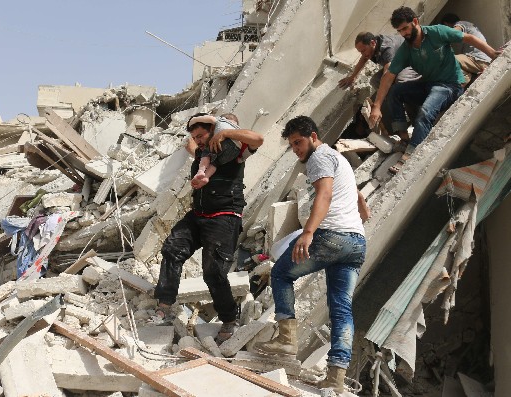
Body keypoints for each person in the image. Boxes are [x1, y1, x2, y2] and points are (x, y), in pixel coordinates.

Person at [255, 115, 370, 394]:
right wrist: (361, 218)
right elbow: (358, 201)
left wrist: (307, 233)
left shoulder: (320, 157)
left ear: (314, 136)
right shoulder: (340, 159)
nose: (296, 148)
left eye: (299, 142)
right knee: (342, 309)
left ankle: (286, 339)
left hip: (331, 236)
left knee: (281, 273)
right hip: (356, 243)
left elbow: (325, 195)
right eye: (292, 145)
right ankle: (336, 378)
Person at [152, 113, 264, 345]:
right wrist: (195, 139)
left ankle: (228, 319)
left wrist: (225, 132)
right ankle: (164, 306)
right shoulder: (204, 151)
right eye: (196, 136)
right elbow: (193, 148)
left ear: (215, 132)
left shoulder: (236, 150)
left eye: (202, 135)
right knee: (172, 249)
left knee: (213, 272)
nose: (199, 140)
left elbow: (258, 138)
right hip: (199, 214)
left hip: (224, 216)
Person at [369, 6, 501, 174]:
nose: (403, 34)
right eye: (399, 31)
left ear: (415, 22)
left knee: (425, 111)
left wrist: (492, 54)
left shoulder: (437, 32)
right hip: (428, 84)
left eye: (405, 28)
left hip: (450, 85)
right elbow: (388, 76)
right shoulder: (406, 49)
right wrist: (377, 106)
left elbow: (468, 38)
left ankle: (410, 155)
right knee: (396, 91)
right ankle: (404, 138)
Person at [339, 32, 421, 138]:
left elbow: (387, 76)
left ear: (372, 43)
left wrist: (377, 106)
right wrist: (353, 76)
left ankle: (408, 105)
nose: (363, 54)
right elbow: (364, 59)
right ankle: (395, 99)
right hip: (399, 64)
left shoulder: (387, 48)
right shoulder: (373, 45)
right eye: (360, 52)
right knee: (375, 81)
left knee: (399, 82)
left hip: (412, 62)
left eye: (363, 50)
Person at [190, 114, 252, 189]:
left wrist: (195, 120)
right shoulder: (241, 138)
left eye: (199, 136)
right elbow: (243, 155)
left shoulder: (220, 122)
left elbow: (258, 139)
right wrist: (240, 159)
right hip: (235, 150)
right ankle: (206, 176)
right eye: (194, 138)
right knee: (215, 163)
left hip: (228, 197)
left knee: (207, 154)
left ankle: (201, 171)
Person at [440, 13, 493, 85]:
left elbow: (454, 32)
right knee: (457, 71)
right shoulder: (469, 27)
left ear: (446, 24)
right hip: (481, 62)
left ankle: (460, 85)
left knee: (449, 59)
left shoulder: (461, 23)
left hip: (478, 59)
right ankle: (463, 84)